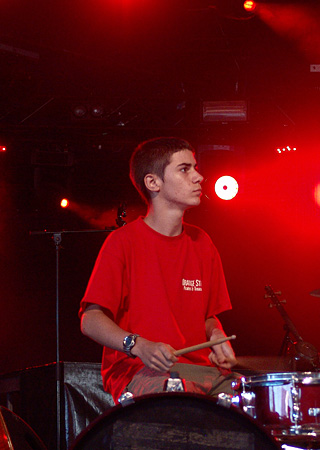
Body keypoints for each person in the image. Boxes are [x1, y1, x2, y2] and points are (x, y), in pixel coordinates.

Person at [79, 137, 238, 403]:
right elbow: (90, 320)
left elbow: (208, 318)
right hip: (140, 370)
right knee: (174, 399)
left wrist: (217, 335)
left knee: (249, 408)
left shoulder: (203, 242)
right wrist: (138, 345)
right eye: (185, 169)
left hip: (202, 372)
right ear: (153, 183)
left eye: (195, 167)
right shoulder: (122, 242)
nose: (198, 177)